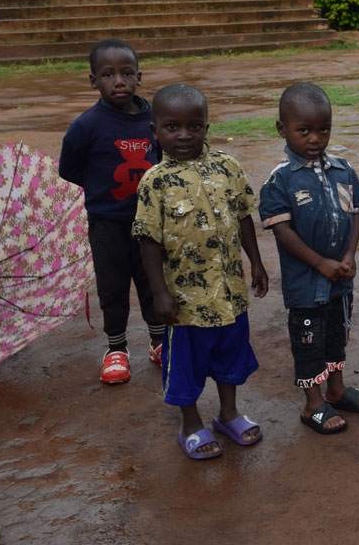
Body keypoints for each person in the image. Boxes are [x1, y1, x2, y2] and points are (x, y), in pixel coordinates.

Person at [132, 83, 269, 460]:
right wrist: (158, 292)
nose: (184, 135)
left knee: (230, 355)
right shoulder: (154, 183)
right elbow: (148, 240)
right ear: (154, 131)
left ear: (207, 126)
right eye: (172, 127)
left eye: (195, 126)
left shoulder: (227, 167)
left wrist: (255, 262)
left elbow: (243, 216)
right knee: (186, 367)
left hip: (229, 293)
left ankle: (229, 414)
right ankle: (191, 424)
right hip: (185, 302)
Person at [260, 83, 359, 436]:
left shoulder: (342, 170)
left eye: (323, 129)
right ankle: (312, 403)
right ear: (283, 129)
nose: (314, 139)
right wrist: (319, 263)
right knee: (309, 341)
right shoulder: (279, 181)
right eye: (304, 130)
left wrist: (349, 255)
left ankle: (336, 390)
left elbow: (354, 213)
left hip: (340, 280)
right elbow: (284, 233)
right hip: (306, 286)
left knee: (336, 336)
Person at [58, 38, 164, 384]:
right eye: (108, 74)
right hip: (107, 225)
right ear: (93, 81)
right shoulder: (87, 125)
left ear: (139, 77)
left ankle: (160, 341)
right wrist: (101, 190)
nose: (118, 81)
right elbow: (69, 168)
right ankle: (116, 349)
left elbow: (165, 161)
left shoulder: (155, 119)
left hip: (150, 223)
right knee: (113, 286)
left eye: (126, 73)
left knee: (153, 282)